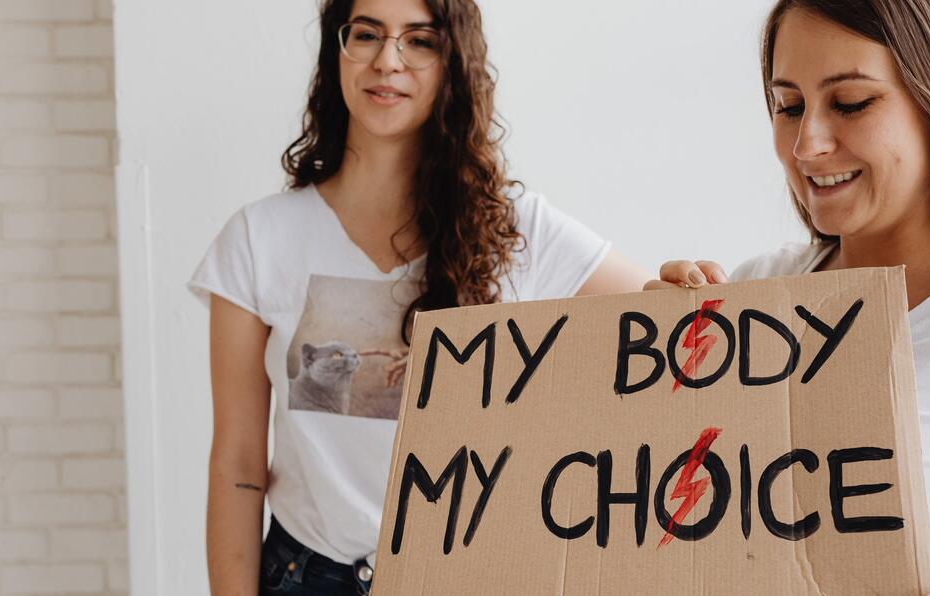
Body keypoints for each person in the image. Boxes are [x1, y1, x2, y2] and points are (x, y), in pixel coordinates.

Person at [187, 0, 648, 593]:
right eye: (367, 35)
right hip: (307, 576)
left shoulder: (517, 232)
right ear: (338, 50)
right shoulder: (257, 238)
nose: (388, 60)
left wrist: (685, 282)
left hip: (470, 577)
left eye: (419, 41)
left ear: (453, 62)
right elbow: (238, 469)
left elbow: (663, 315)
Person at [648, 1, 930, 594]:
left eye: (851, 103)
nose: (805, 144)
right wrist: (647, 394)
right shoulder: (755, 294)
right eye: (788, 107)